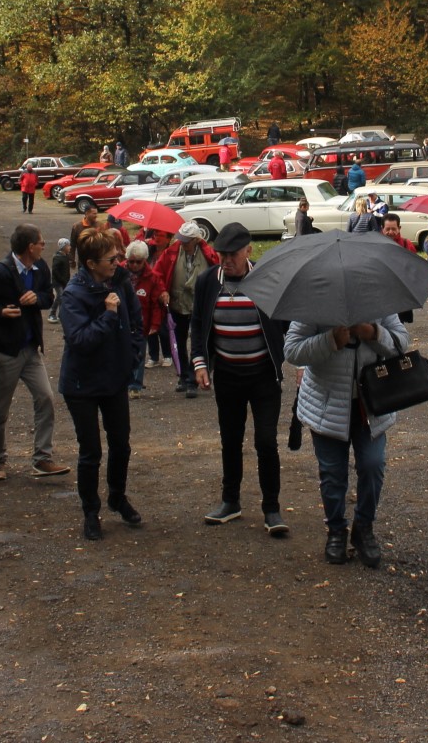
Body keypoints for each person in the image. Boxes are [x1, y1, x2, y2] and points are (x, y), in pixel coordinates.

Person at [284, 312, 410, 567]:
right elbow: (292, 350)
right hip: (326, 403)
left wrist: (373, 333)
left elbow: (401, 344)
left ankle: (364, 528)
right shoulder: (315, 302)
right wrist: (330, 340)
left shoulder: (380, 298)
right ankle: (336, 531)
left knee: (373, 465)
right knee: (332, 473)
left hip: (371, 404)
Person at [190, 222, 290, 535]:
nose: (226, 260)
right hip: (229, 376)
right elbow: (198, 323)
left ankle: (271, 509)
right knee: (230, 441)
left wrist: (297, 359)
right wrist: (200, 363)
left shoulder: (266, 278)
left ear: (248, 250)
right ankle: (230, 502)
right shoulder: (209, 281)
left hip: (263, 375)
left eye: (232, 254)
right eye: (221, 254)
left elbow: (286, 321)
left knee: (265, 441)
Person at [0, 223, 70, 481]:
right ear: (30, 247)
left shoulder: (40, 267)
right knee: (0, 408)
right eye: (41, 242)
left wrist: (37, 299)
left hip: (30, 349)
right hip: (4, 351)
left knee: (46, 398)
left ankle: (42, 459)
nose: (44, 246)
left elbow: (48, 297)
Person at [57, 228, 143, 541]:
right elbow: (80, 341)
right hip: (81, 384)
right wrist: (108, 314)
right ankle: (90, 512)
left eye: (117, 256)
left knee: (121, 444)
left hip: (114, 379)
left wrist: (131, 357)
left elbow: (136, 321)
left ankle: (117, 497)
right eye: (111, 258)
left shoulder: (119, 280)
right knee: (90, 451)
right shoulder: (73, 295)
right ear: (91, 263)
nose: (118, 261)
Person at [153, 221, 219, 397]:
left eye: (187, 240)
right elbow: (157, 274)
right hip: (177, 304)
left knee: (200, 343)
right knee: (178, 343)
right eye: (181, 239)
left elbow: (217, 275)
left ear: (196, 240)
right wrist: (163, 291)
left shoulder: (209, 255)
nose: (183, 243)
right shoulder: (171, 253)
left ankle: (192, 379)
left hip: (200, 306)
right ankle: (183, 376)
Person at [126, 240, 165, 387]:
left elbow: (156, 303)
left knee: (139, 354)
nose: (134, 265)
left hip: (141, 323)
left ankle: (135, 384)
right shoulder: (118, 274)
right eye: (131, 261)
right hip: (122, 321)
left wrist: (155, 325)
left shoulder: (152, 277)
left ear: (144, 261)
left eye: (138, 262)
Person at [49, 238, 73, 323]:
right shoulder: (58, 258)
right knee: (59, 296)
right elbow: (55, 271)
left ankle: (61, 314)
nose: (70, 247)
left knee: (62, 297)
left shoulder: (65, 256)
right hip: (58, 282)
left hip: (63, 281)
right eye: (68, 245)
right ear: (63, 247)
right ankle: (52, 314)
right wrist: (62, 280)